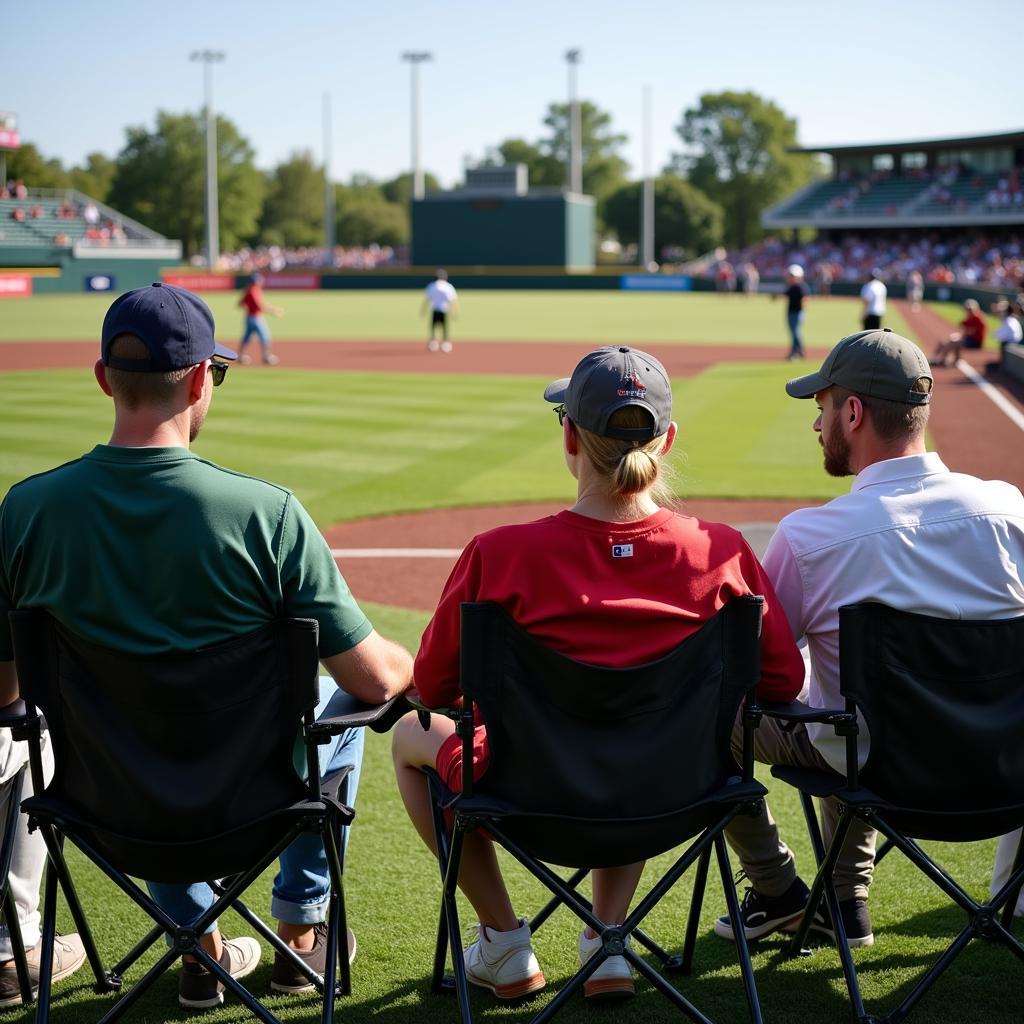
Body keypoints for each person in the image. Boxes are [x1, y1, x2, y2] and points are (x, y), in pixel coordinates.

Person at [0, 283, 414, 1010]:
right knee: (330, 717)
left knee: (141, 720)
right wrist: (412, 660)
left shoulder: (27, 511)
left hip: (103, 806)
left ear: (104, 379)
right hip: (253, 806)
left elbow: (2, 695)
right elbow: (377, 683)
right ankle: (301, 937)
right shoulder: (268, 514)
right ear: (199, 378)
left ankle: (197, 945)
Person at [392, 345, 804, 1003]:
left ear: (568, 435)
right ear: (667, 440)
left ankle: (503, 940)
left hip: (525, 796)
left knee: (409, 741)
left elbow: (435, 691)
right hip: (670, 797)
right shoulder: (720, 551)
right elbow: (782, 685)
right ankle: (607, 940)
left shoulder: (498, 555)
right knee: (634, 728)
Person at [715, 328, 1024, 950]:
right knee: (855, 695)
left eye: (822, 408)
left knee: (715, 708)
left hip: (880, 767)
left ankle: (779, 889)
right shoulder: (1010, 509)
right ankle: (847, 903)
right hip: (1007, 767)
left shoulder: (811, 537)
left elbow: (752, 670)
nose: (817, 425)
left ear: (852, 412)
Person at [238, 272, 283, 366]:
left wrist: (249, 306)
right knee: (265, 336)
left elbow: (240, 304)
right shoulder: (253, 290)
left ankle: (240, 356)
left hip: (249, 317)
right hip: (256, 318)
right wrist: (274, 311)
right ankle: (267, 357)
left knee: (247, 337)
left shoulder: (249, 290)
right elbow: (259, 305)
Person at [930, 298, 986, 367]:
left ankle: (942, 360)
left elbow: (971, 333)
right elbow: (962, 324)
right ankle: (935, 357)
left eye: (970, 310)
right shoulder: (971, 317)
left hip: (975, 342)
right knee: (943, 341)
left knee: (953, 342)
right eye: (967, 309)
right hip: (969, 339)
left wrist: (959, 337)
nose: (968, 311)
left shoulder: (978, 319)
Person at [422, 269, 458, 352]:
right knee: (444, 327)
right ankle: (445, 344)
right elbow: (453, 300)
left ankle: (433, 344)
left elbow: (427, 300)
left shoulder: (432, 286)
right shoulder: (448, 286)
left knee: (434, 327)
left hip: (435, 309)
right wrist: (454, 311)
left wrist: (423, 310)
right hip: (444, 309)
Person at [779, 264, 808, 360]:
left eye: (792, 276)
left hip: (797, 313)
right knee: (793, 333)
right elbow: (784, 294)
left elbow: (804, 299)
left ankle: (799, 351)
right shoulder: (791, 287)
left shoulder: (800, 287)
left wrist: (802, 310)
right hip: (791, 313)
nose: (790, 278)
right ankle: (795, 351)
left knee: (796, 332)